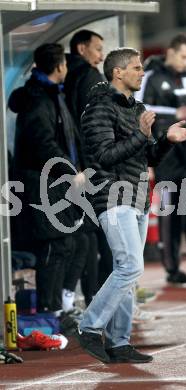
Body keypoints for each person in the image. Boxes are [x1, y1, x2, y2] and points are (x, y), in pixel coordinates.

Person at [77, 47, 186, 364]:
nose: (142, 73)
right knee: (130, 266)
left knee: (127, 272)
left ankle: (118, 342)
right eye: (136, 68)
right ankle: (89, 326)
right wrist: (142, 135)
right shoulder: (98, 108)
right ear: (118, 72)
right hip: (113, 195)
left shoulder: (136, 107)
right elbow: (104, 156)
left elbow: (146, 156)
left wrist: (167, 140)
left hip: (137, 196)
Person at [9, 43, 86, 318]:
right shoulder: (38, 100)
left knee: (73, 242)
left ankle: (59, 307)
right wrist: (71, 171)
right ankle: (49, 310)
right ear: (59, 67)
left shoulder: (53, 95)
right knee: (55, 244)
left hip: (56, 181)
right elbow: (44, 144)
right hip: (42, 183)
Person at [136, 33, 186, 284]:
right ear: (170, 52)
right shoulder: (151, 75)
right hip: (165, 156)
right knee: (170, 212)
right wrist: (174, 112)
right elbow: (139, 106)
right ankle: (172, 268)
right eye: (183, 56)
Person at [64, 29, 113, 306]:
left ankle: (90, 296)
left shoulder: (66, 75)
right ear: (82, 49)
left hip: (74, 166)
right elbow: (94, 126)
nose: (100, 55)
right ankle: (103, 299)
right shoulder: (91, 77)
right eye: (97, 49)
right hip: (91, 167)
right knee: (100, 233)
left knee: (87, 233)